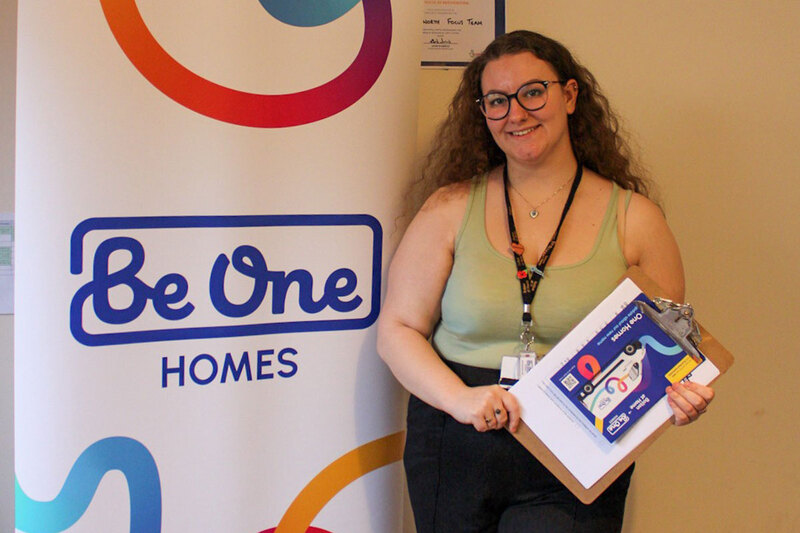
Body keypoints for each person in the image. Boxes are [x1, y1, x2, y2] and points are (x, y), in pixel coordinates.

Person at [376, 30, 715, 532]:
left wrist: (680, 398)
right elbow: (397, 329)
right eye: (497, 100)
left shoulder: (635, 220)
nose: (516, 113)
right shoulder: (448, 208)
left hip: (578, 443)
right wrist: (460, 399)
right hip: (455, 436)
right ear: (483, 113)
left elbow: (665, 350)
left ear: (570, 96)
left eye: (532, 92)